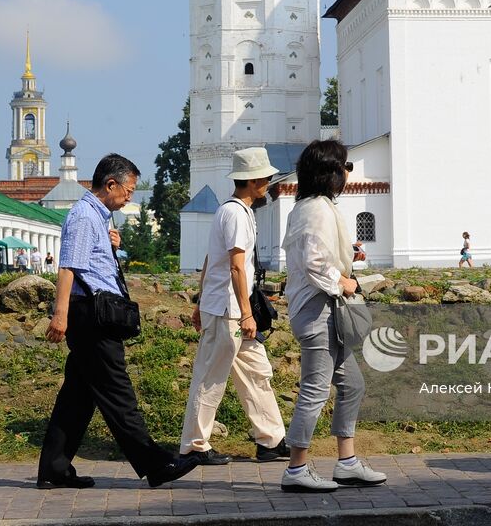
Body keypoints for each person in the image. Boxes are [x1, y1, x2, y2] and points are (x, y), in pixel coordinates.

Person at [38, 153, 198, 491]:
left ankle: (54, 468)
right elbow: (68, 267)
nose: (129, 197)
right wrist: (61, 314)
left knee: (77, 398)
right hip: (90, 316)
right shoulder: (84, 216)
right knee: (118, 393)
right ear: (110, 184)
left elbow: (94, 265)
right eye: (128, 190)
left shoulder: (99, 218)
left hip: (93, 313)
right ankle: (156, 464)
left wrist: (112, 248)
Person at [280, 140, 386, 493]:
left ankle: (347, 463)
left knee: (352, 385)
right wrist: (347, 283)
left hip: (323, 310)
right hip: (318, 310)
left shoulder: (311, 206)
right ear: (329, 173)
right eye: (344, 167)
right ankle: (295, 469)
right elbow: (315, 263)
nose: (347, 174)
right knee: (314, 390)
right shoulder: (316, 210)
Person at [180, 147, 289, 465]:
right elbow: (236, 267)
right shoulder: (236, 214)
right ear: (254, 181)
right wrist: (245, 314)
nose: (268, 183)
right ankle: (194, 445)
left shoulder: (233, 212)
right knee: (211, 376)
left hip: (227, 308)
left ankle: (270, 440)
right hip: (230, 311)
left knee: (256, 373)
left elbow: (210, 259)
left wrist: (200, 303)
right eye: (266, 178)